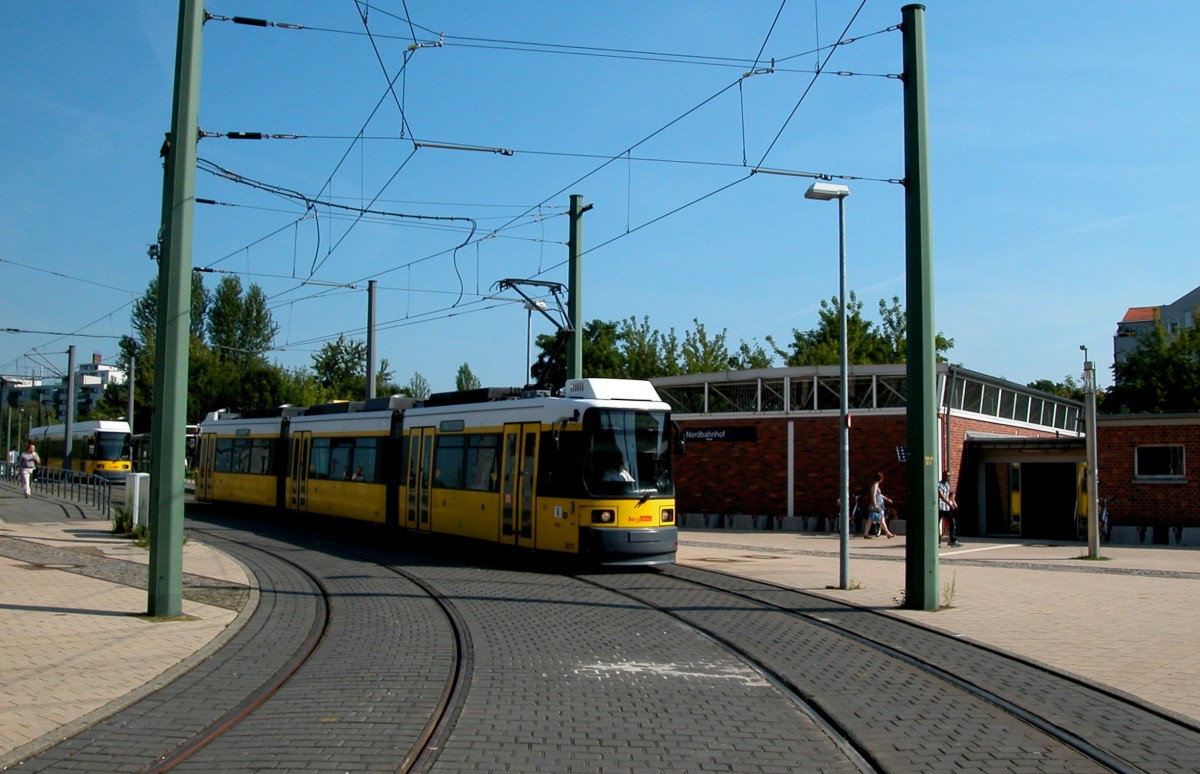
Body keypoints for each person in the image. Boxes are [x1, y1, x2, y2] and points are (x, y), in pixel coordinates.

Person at [862, 471, 895, 538]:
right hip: (876, 505)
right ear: (880, 479)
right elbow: (873, 495)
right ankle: (888, 533)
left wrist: (887, 499)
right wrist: (875, 504)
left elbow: (879, 494)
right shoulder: (874, 486)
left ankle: (866, 534)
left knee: (871, 519)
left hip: (877, 504)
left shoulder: (876, 485)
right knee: (881, 519)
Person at [938, 470, 962, 547]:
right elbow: (941, 496)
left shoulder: (948, 485)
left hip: (946, 508)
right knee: (936, 525)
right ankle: (937, 541)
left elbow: (949, 496)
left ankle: (953, 540)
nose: (948, 477)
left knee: (952, 522)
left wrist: (953, 503)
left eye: (949, 476)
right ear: (943, 476)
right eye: (947, 475)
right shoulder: (939, 484)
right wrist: (948, 502)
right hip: (939, 507)